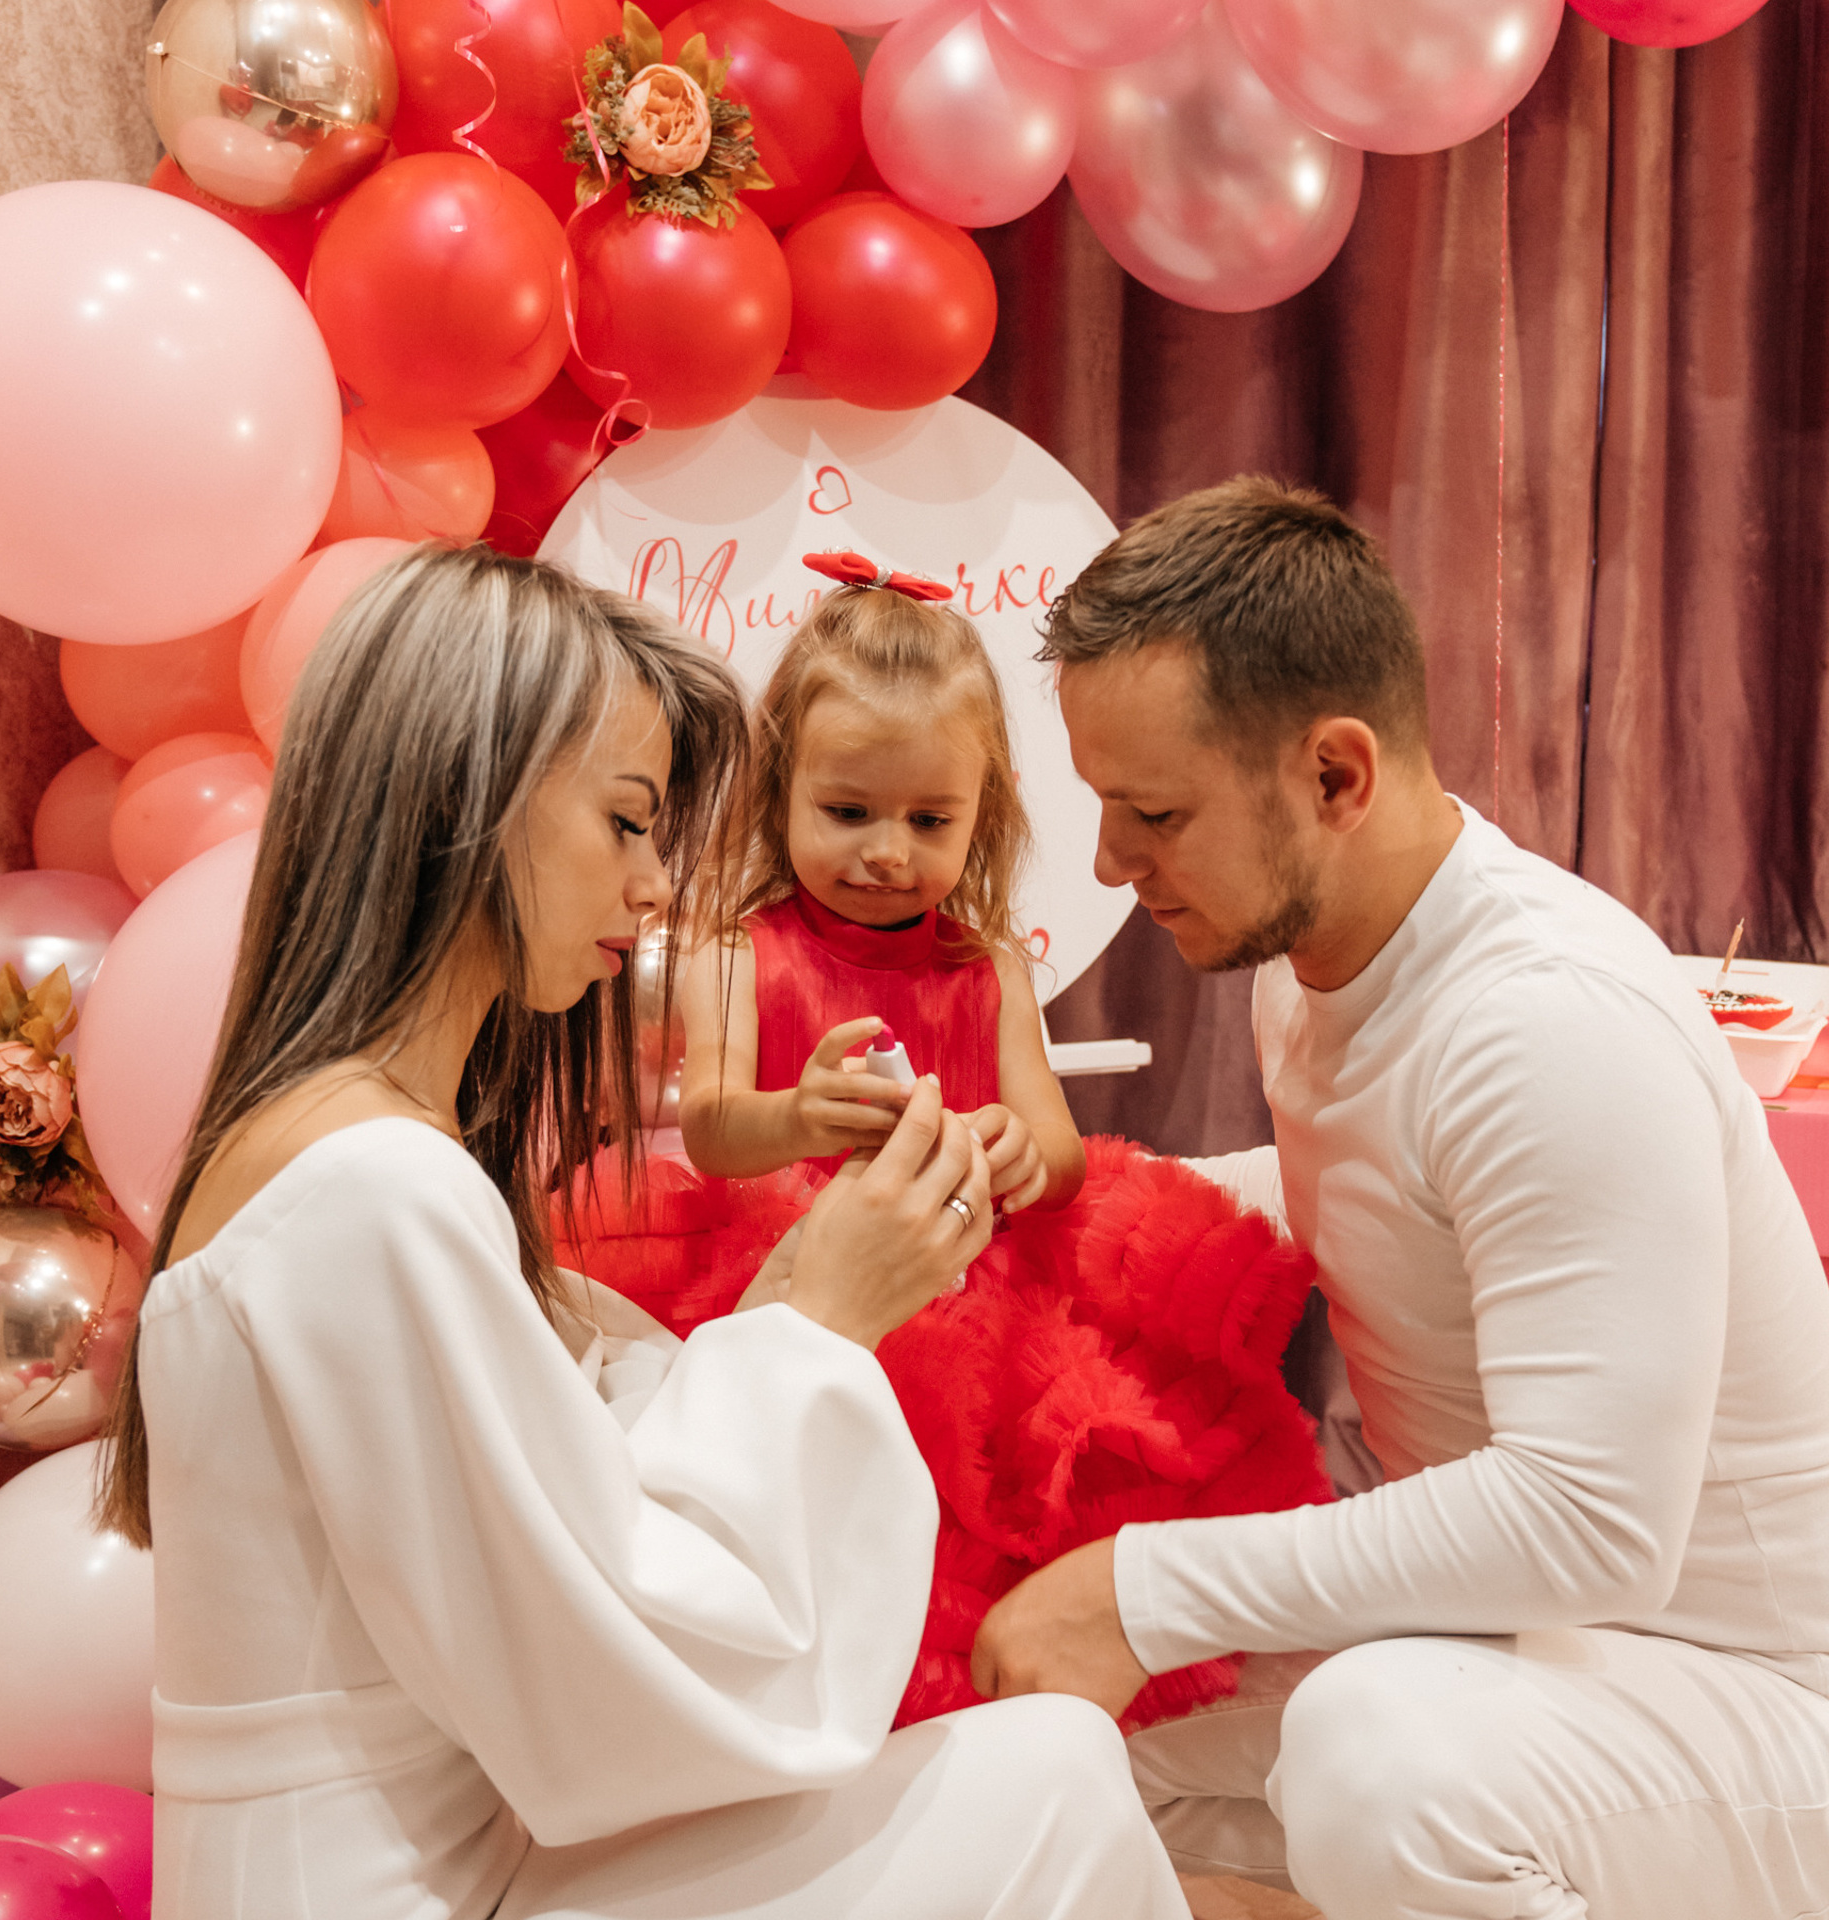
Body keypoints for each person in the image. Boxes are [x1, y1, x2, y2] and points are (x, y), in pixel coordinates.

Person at [94, 546, 1189, 1920]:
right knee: (1056, 1776)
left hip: (443, 1856)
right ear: (469, 803)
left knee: (1054, 1764)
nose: (659, 885)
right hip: (400, 1887)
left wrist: (798, 1289)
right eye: (625, 824)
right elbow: (625, 1687)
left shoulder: (350, 1148)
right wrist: (814, 1320)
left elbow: (543, 1534)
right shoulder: (368, 1185)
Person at [973, 477, 1829, 1920]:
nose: (1116, 866)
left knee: (1377, 1759)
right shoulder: (1315, 968)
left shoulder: (1544, 1024)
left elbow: (1589, 1525)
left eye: (1153, 814)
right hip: (1538, 1655)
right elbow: (1388, 1207)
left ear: (1336, 776)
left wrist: (1146, 1587)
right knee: (1064, 1787)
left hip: (1754, 1689)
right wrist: (1027, 1209)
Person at [562, 563, 1329, 1732]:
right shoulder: (733, 945)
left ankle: (985, 1718)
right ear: (784, 790)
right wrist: (801, 1114)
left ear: (987, 811)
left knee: (1010, 1490)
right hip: (790, 1278)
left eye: (930, 822)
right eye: (849, 812)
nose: (887, 853)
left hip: (977, 1276)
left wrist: (1018, 1152)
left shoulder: (986, 965)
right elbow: (715, 1130)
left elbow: (1062, 1153)